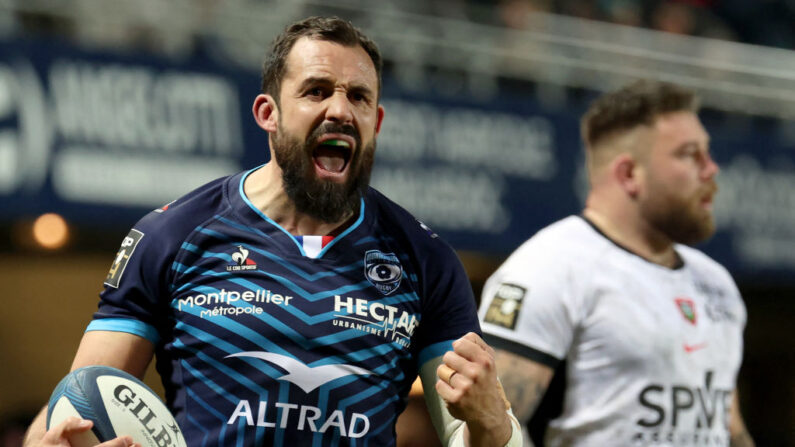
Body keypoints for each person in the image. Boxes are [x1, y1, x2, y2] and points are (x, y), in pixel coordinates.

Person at [24, 16, 521, 447]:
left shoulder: (425, 260)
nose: (341, 111)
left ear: (377, 121)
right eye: (317, 91)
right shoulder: (173, 236)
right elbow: (73, 405)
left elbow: (474, 436)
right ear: (268, 113)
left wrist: (493, 423)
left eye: (359, 97)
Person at [478, 80, 755, 446]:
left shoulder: (715, 281)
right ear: (629, 174)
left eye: (708, 153)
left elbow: (726, 425)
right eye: (691, 155)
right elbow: (483, 429)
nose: (711, 169)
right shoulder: (549, 268)